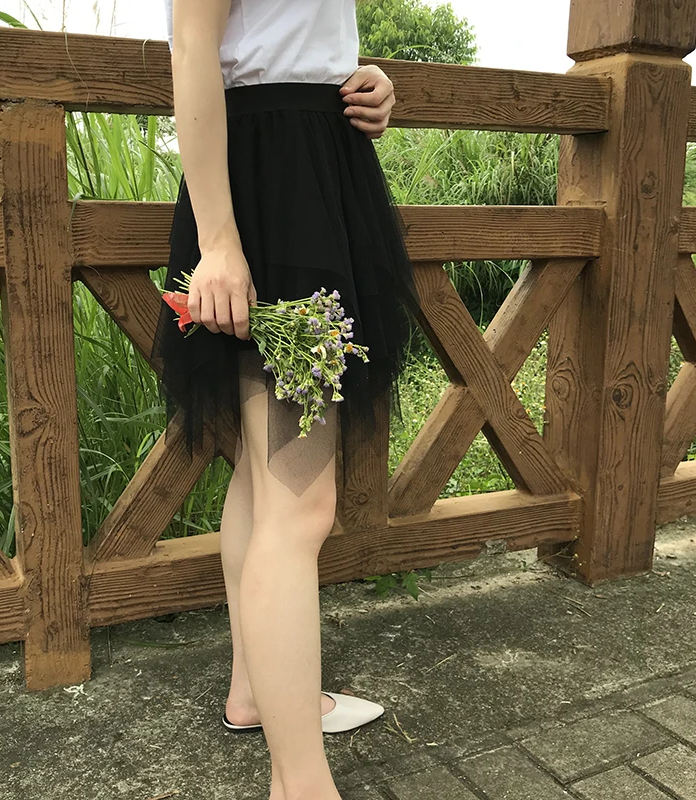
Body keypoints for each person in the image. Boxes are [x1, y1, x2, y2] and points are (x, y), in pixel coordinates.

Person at [152, 2, 421, 798]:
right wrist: (218, 241)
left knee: (268, 484)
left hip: (310, 172)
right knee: (301, 507)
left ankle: (256, 692)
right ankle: (301, 785)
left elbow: (277, 34)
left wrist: (361, 78)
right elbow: (193, 43)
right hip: (276, 193)